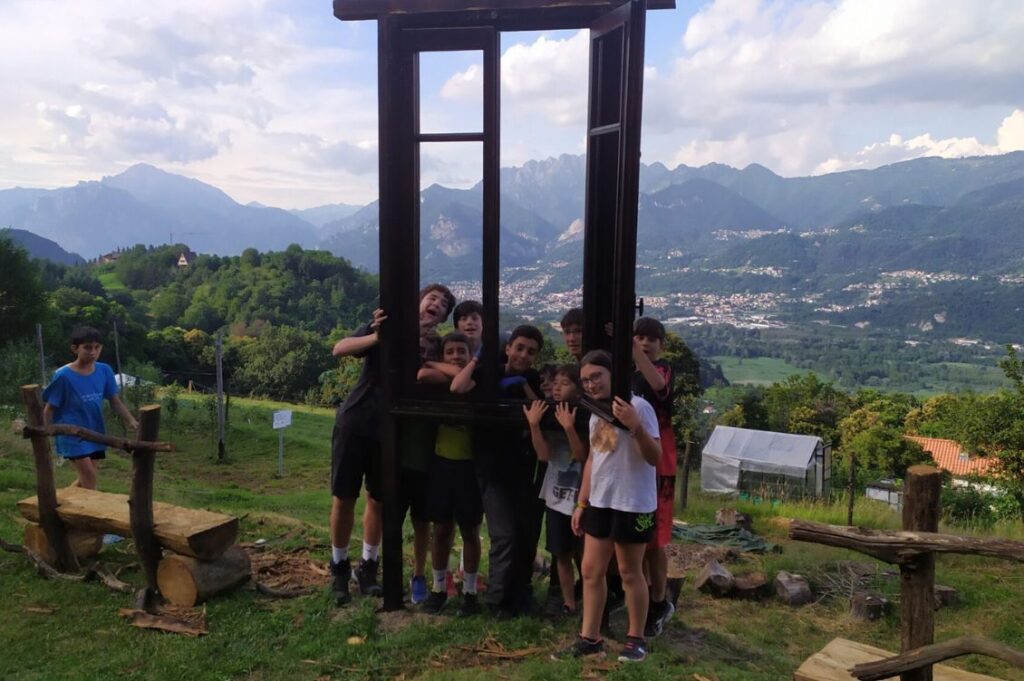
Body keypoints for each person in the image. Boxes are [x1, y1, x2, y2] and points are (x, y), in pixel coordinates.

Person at [328, 283, 455, 606]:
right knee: (344, 496)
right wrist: (377, 337)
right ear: (419, 301)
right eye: (433, 298)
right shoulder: (385, 325)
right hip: (357, 420)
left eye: (443, 304)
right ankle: (339, 568)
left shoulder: (436, 346)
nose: (437, 304)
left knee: (378, 499)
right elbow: (340, 349)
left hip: (392, 430)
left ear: (442, 318)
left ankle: (368, 567)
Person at [554, 349, 660, 663]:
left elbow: (655, 457)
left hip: (633, 502)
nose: (591, 384)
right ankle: (590, 638)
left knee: (630, 572)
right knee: (590, 570)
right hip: (601, 502)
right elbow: (593, 460)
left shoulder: (639, 407)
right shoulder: (595, 411)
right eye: (585, 380)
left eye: (597, 376)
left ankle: (636, 639)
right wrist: (581, 502)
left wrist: (635, 426)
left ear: (614, 374)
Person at [456, 324, 544, 617]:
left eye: (531, 351)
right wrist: (476, 360)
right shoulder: (487, 373)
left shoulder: (532, 378)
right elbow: (458, 387)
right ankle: (497, 600)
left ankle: (519, 593)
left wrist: (524, 386)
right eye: (519, 348)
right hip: (490, 465)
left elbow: (538, 408)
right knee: (504, 534)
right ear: (508, 348)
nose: (523, 355)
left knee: (524, 533)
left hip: (522, 465)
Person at [418, 332, 483, 616]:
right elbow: (422, 375)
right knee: (441, 529)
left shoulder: (476, 378)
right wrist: (443, 368)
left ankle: (469, 591)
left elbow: (460, 383)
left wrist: (440, 366)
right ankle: (438, 588)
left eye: (461, 351)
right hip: (441, 464)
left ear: (471, 355)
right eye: (450, 351)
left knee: (470, 530)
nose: (456, 356)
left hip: (469, 466)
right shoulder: (440, 377)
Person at [524, 364, 587, 617]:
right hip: (555, 498)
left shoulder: (585, 415)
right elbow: (543, 455)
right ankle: (569, 603)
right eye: (555, 383)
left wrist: (569, 427)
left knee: (582, 553)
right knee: (561, 552)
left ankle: (589, 597)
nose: (557, 387)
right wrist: (534, 425)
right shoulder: (550, 412)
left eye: (565, 383)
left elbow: (582, 456)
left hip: (580, 498)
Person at [42, 326, 138, 490]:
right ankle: (89, 506)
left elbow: (114, 400)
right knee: (89, 478)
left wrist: (131, 421)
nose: (93, 352)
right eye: (87, 347)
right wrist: (45, 433)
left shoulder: (104, 370)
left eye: (97, 347)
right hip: (71, 433)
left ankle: (60, 500)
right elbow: (49, 408)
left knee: (87, 476)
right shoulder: (63, 376)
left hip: (95, 431)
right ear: (75, 348)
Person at [631, 317, 677, 637]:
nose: (645, 343)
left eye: (651, 339)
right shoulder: (627, 373)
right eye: (639, 337)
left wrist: (631, 348)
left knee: (655, 539)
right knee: (639, 536)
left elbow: (659, 386)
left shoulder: (663, 370)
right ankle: (646, 597)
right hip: (633, 459)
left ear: (661, 344)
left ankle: (660, 602)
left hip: (661, 465)